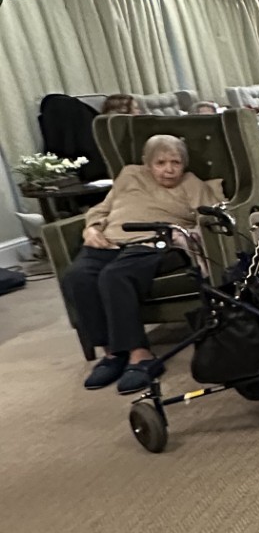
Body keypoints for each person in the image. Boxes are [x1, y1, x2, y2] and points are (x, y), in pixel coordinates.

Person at [61, 134, 222, 394]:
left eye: (176, 162)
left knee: (115, 276)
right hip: (109, 240)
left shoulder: (192, 184)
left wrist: (185, 235)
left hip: (152, 242)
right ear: (147, 163)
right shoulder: (129, 176)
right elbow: (103, 208)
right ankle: (113, 352)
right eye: (160, 163)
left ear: (184, 164)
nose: (169, 169)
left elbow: (208, 215)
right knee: (77, 276)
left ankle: (140, 354)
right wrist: (91, 228)